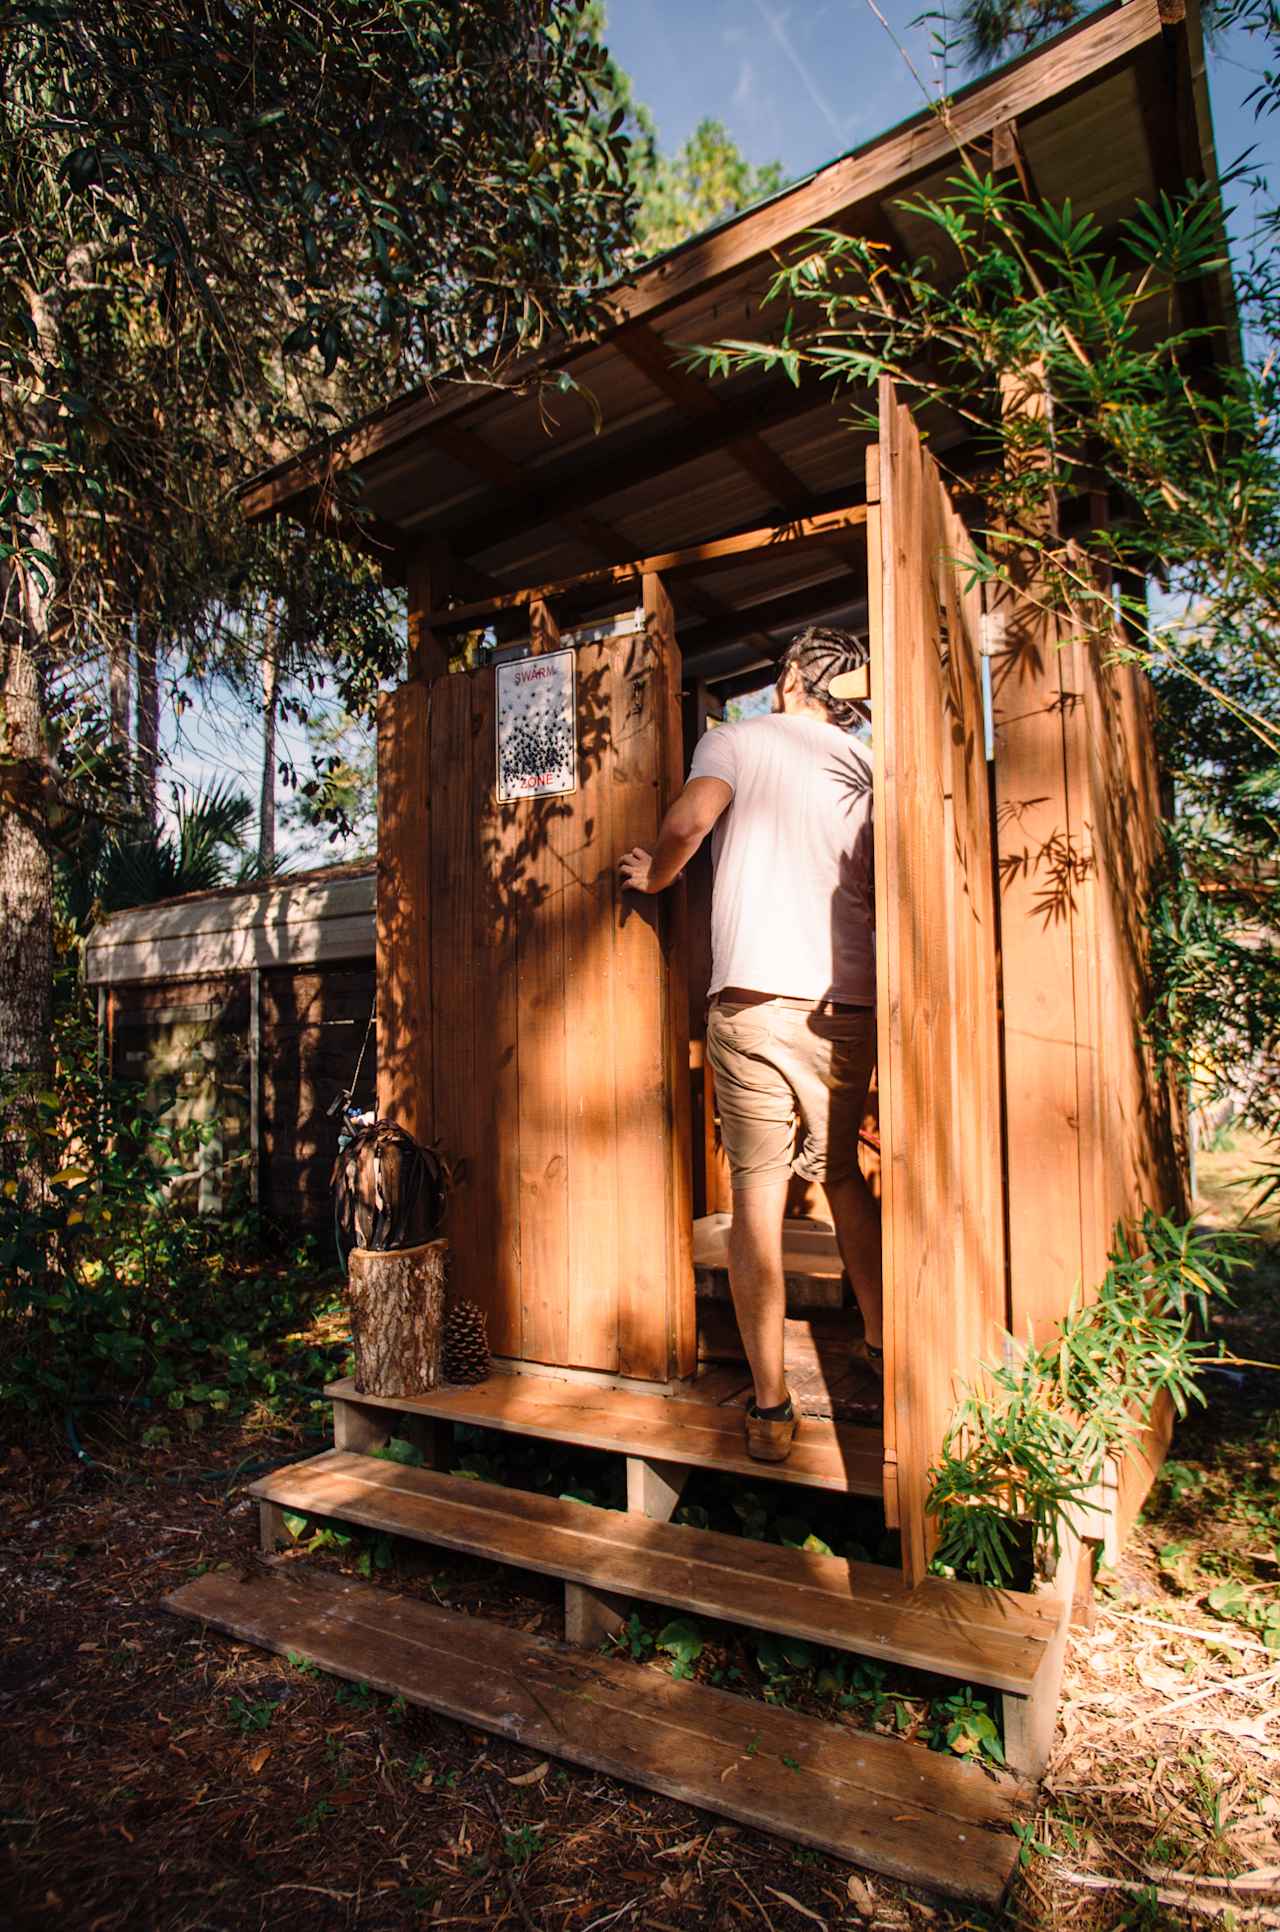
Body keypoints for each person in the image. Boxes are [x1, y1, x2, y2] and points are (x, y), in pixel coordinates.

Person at [619, 627, 880, 1464]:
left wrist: (655, 875)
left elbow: (689, 821)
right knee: (841, 1175)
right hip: (846, 1002)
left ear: (795, 679)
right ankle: (880, 1346)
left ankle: (769, 1407)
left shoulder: (733, 739)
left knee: (757, 1193)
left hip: (749, 1001)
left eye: (780, 672)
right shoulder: (868, 766)